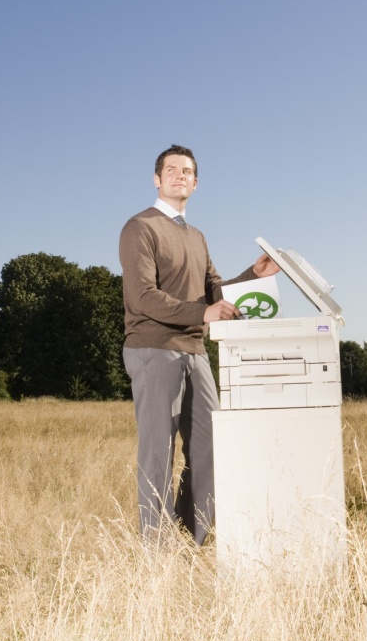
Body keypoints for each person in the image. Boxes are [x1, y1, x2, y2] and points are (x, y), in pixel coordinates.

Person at [119, 144, 279, 544]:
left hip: (194, 350)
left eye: (187, 171)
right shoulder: (140, 227)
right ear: (157, 179)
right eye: (171, 170)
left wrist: (252, 275)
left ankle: (196, 542)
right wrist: (201, 314)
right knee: (158, 453)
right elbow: (142, 297)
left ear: (196, 182)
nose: (179, 176)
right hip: (153, 348)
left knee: (211, 446)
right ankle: (156, 552)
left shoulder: (198, 236)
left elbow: (214, 291)